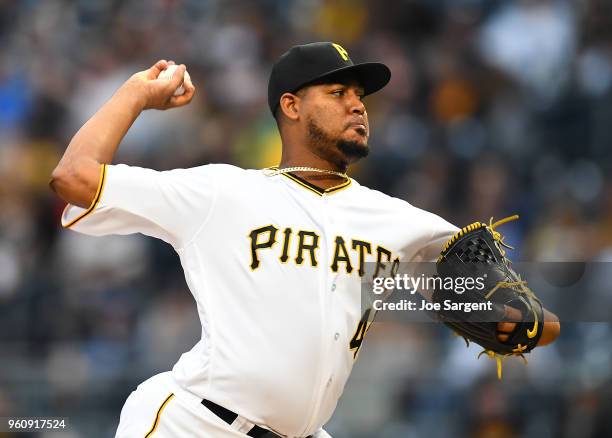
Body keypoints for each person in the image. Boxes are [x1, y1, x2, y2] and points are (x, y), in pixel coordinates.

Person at [50, 42, 559, 438]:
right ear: (291, 106)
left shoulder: (401, 222)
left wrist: (520, 321)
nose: (358, 106)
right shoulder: (220, 191)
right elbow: (74, 178)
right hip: (196, 423)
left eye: (360, 96)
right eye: (338, 94)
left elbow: (536, 324)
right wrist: (137, 93)